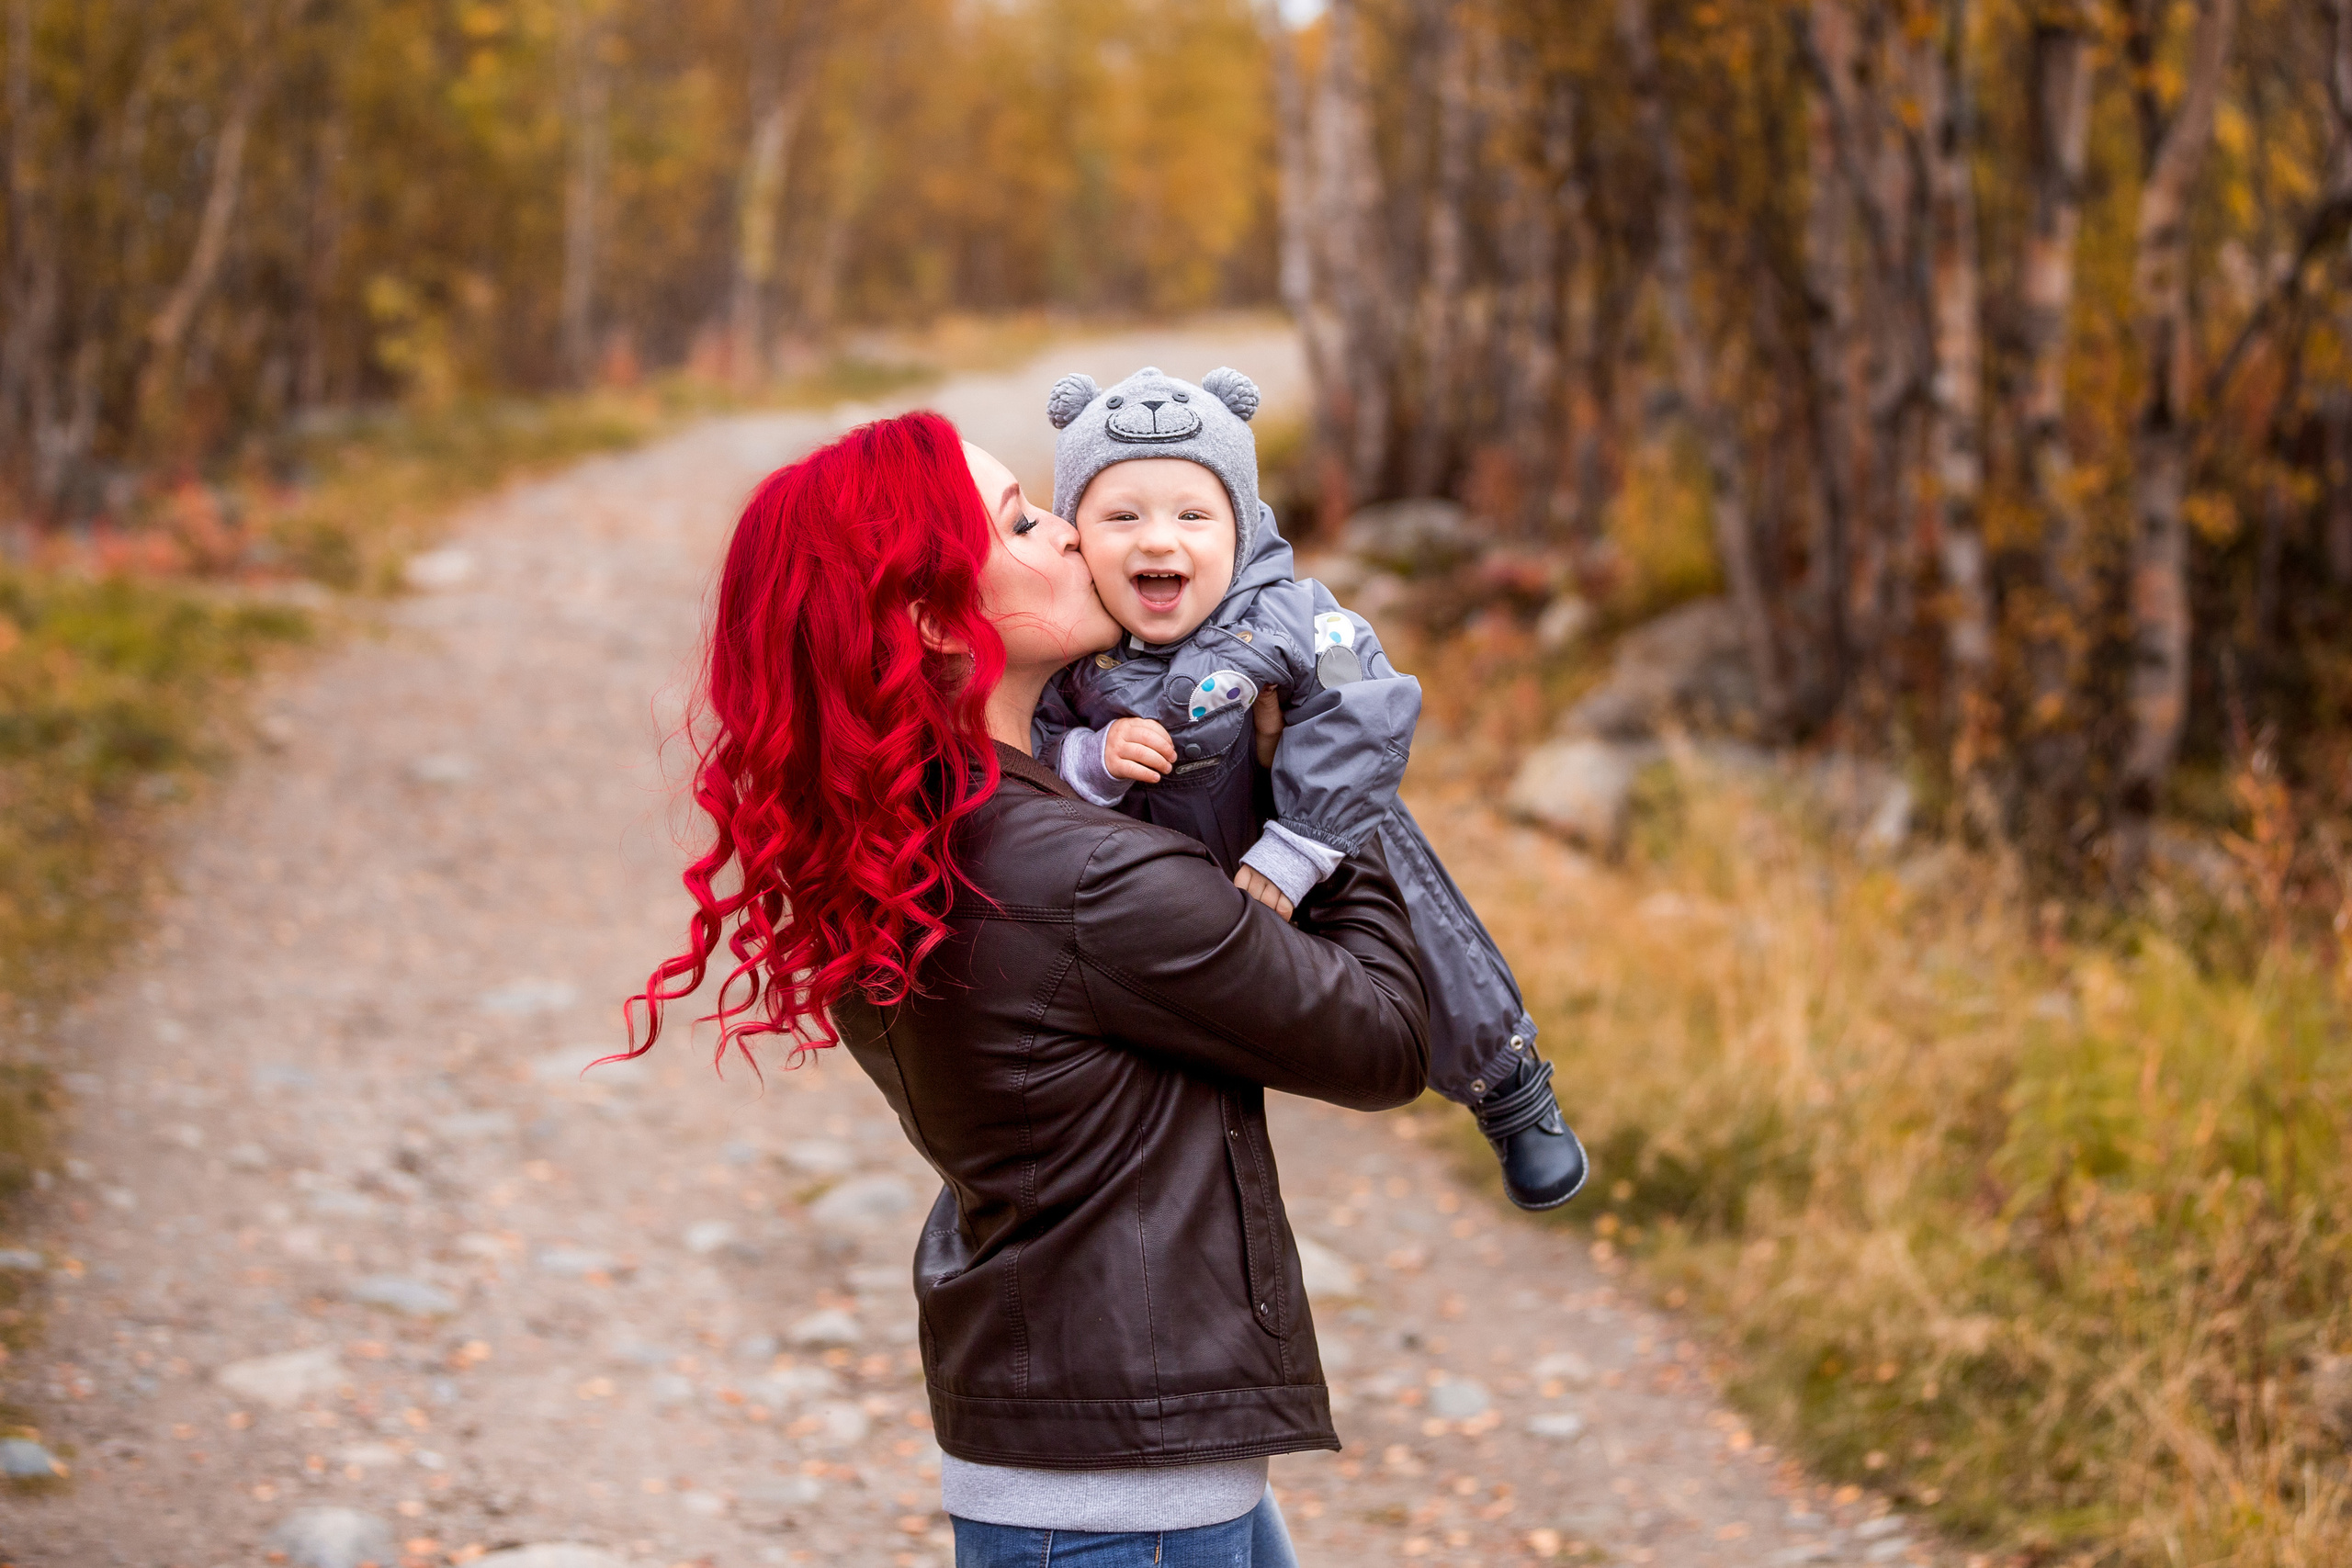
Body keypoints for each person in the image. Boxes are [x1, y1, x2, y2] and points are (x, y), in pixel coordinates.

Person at [628, 411, 1431, 1566]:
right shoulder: (1084, 872)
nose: (1067, 531)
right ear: (928, 620)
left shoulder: (903, 843)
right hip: (1123, 1501)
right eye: (1017, 520)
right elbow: (1386, 1037)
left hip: (1091, 1463)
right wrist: (1316, 790)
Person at [1032, 366, 1588, 1213]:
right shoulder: (1076, 651)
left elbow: (1368, 705)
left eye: (1192, 514)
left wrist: (1301, 839)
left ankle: (1510, 1088)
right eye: (1121, 516)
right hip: (1179, 893)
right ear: (1076, 533)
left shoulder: (1286, 615)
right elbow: (1026, 739)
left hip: (1302, 834)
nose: (1157, 541)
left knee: (1413, 913)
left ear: (1243, 525)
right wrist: (1091, 756)